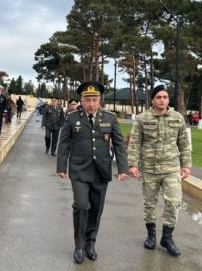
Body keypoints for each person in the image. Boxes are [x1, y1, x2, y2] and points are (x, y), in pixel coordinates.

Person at [56, 82, 129, 264]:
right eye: (87, 100)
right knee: (81, 206)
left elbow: (119, 144)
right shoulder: (72, 118)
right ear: (81, 100)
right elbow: (64, 143)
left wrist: (123, 168)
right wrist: (61, 167)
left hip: (101, 171)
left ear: (99, 100)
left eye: (95, 100)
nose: (91, 104)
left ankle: (90, 243)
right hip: (79, 170)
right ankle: (79, 245)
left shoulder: (110, 118)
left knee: (96, 210)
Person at [128, 84, 191, 257]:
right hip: (149, 169)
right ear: (152, 100)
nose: (162, 100)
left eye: (165, 97)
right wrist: (132, 164)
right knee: (150, 203)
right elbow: (135, 143)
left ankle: (167, 238)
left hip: (171, 168)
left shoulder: (177, 118)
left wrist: (186, 165)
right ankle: (151, 236)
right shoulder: (142, 118)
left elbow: (184, 143)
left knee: (173, 203)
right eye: (159, 97)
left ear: (168, 100)